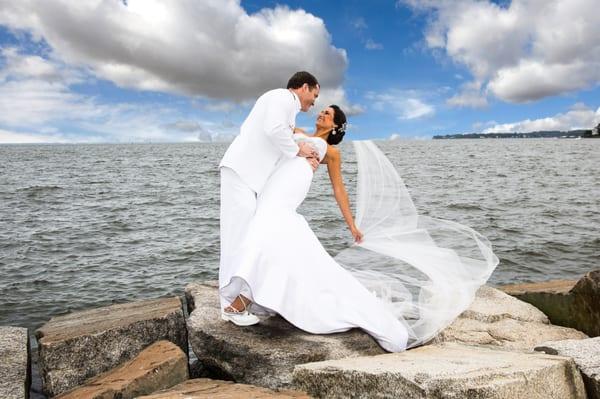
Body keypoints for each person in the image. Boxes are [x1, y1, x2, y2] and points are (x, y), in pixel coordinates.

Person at [219, 104, 410, 352]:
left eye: (328, 114)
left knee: (267, 236)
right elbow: (271, 138)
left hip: (288, 195)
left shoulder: (330, 152)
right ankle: (252, 297)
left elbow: (338, 189)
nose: (321, 113)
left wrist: (352, 224)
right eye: (321, 110)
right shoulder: (295, 131)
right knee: (265, 237)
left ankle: (242, 301)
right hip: (271, 187)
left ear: (334, 126)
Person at [218, 71, 321, 327]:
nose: (315, 102)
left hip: (248, 176)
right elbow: (273, 129)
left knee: (245, 234)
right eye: (315, 95)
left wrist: (298, 153)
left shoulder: (285, 105)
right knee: (237, 235)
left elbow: (275, 138)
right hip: (241, 171)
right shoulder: (282, 98)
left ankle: (236, 302)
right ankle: (231, 307)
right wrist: (300, 150)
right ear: (304, 87)